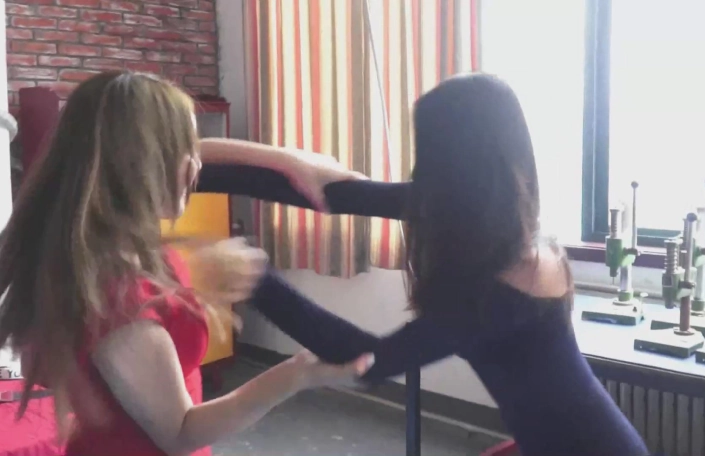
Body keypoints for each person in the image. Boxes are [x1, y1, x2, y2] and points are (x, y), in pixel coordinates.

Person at [194, 74, 650, 456]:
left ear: (455, 164)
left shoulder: (516, 279)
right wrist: (190, 173)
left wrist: (256, 279)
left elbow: (369, 360)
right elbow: (338, 195)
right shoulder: (480, 214)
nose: (420, 167)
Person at [0, 71, 372, 456]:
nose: (198, 165)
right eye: (185, 152)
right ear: (143, 165)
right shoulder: (120, 299)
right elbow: (181, 433)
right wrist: (296, 374)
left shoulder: (115, 245)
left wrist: (291, 161)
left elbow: (203, 151)